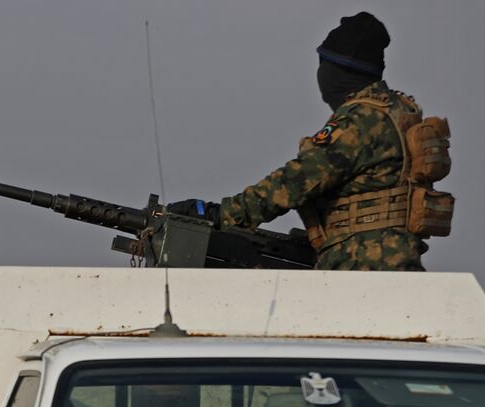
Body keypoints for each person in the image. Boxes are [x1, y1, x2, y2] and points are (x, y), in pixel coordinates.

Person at [167, 12, 452, 271]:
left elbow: (297, 181)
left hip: (361, 264)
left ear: (340, 70)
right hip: (390, 259)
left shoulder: (361, 121)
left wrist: (219, 213)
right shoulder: (399, 111)